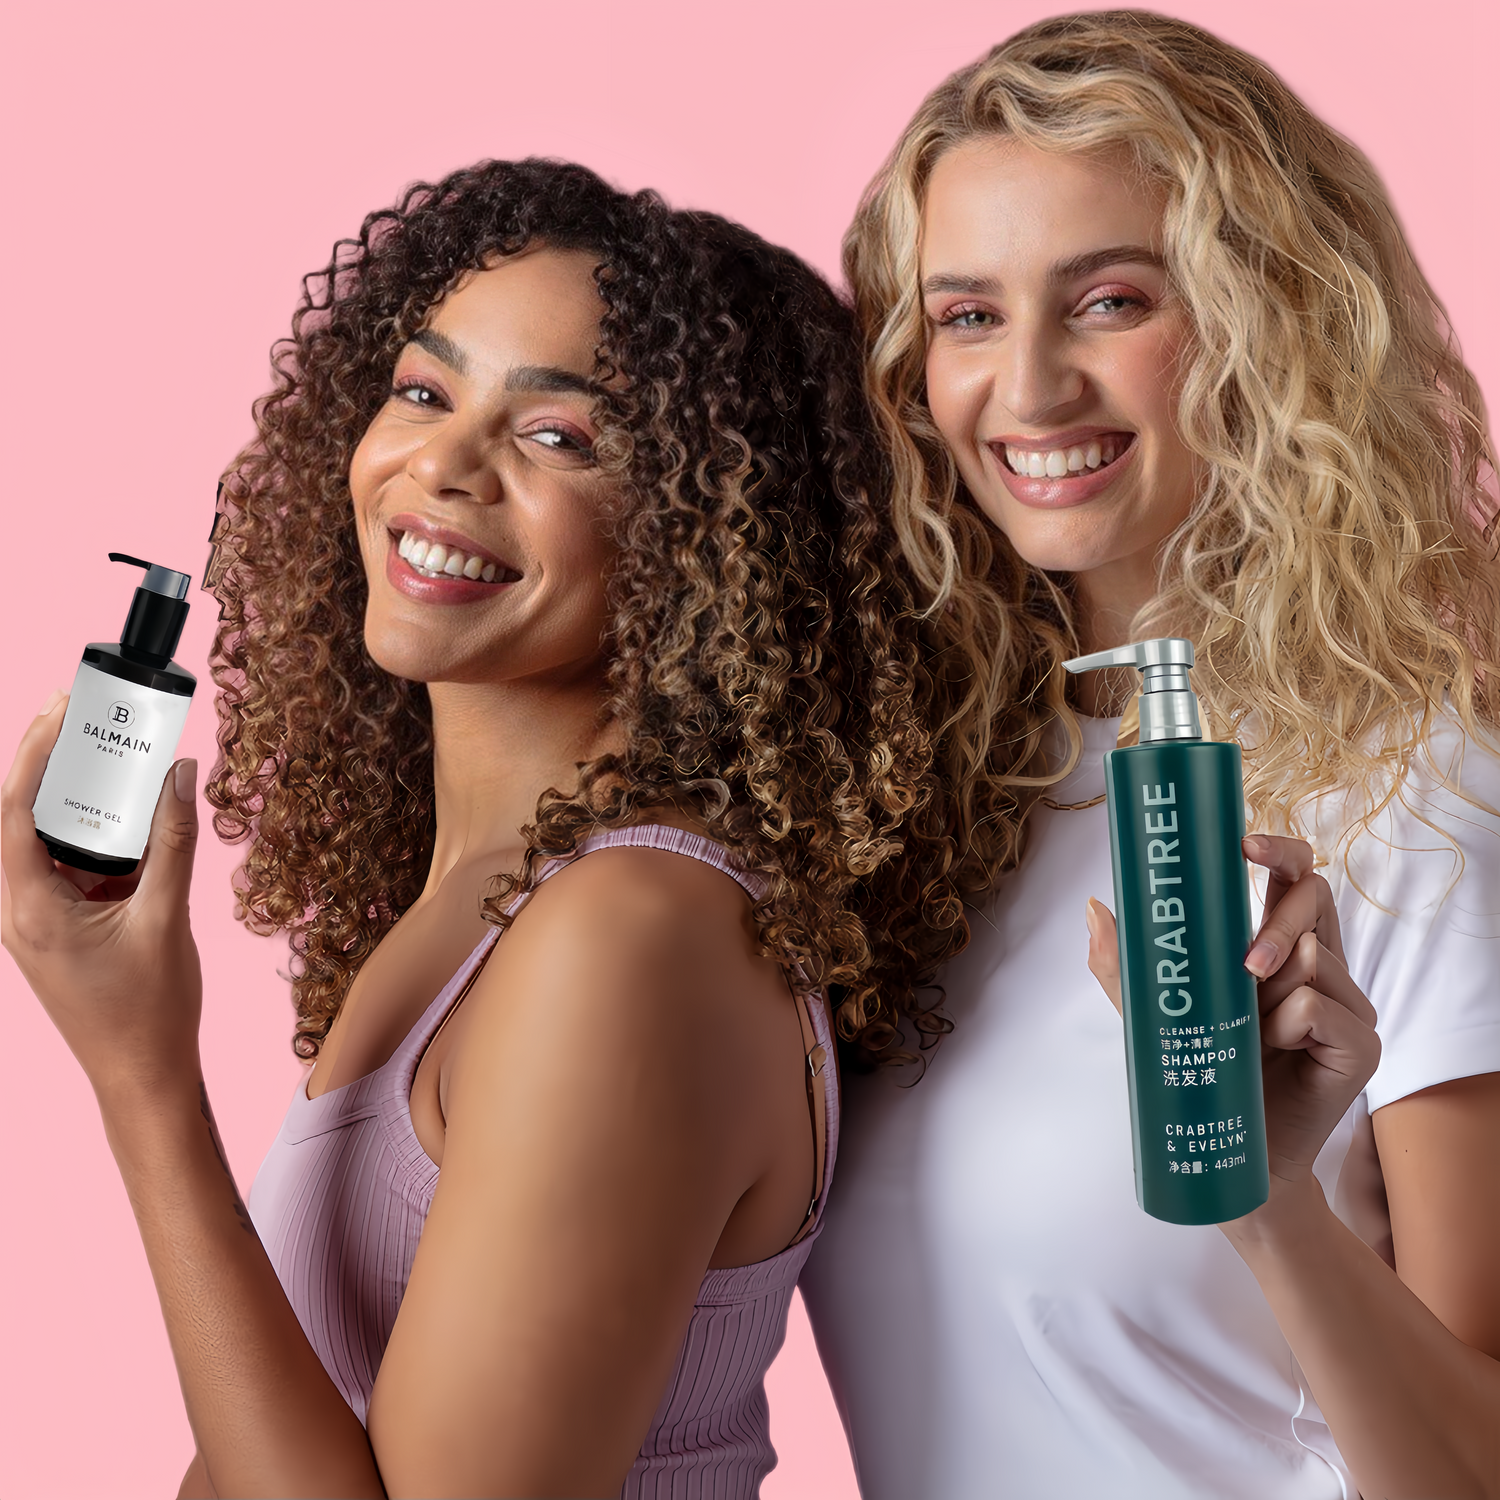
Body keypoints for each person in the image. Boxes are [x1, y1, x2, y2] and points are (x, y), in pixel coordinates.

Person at [1, 158, 955, 1498]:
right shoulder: (485, 899)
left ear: (707, 534)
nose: (441, 466)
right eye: (423, 392)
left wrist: (142, 1079)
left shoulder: (634, 940)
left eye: (559, 436)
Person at [800, 13, 1500, 1499]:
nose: (1033, 386)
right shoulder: (925, 793)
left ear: (1269, 313)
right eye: (968, 316)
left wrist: (1259, 1195)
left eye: (1109, 301)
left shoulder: (1417, 789)